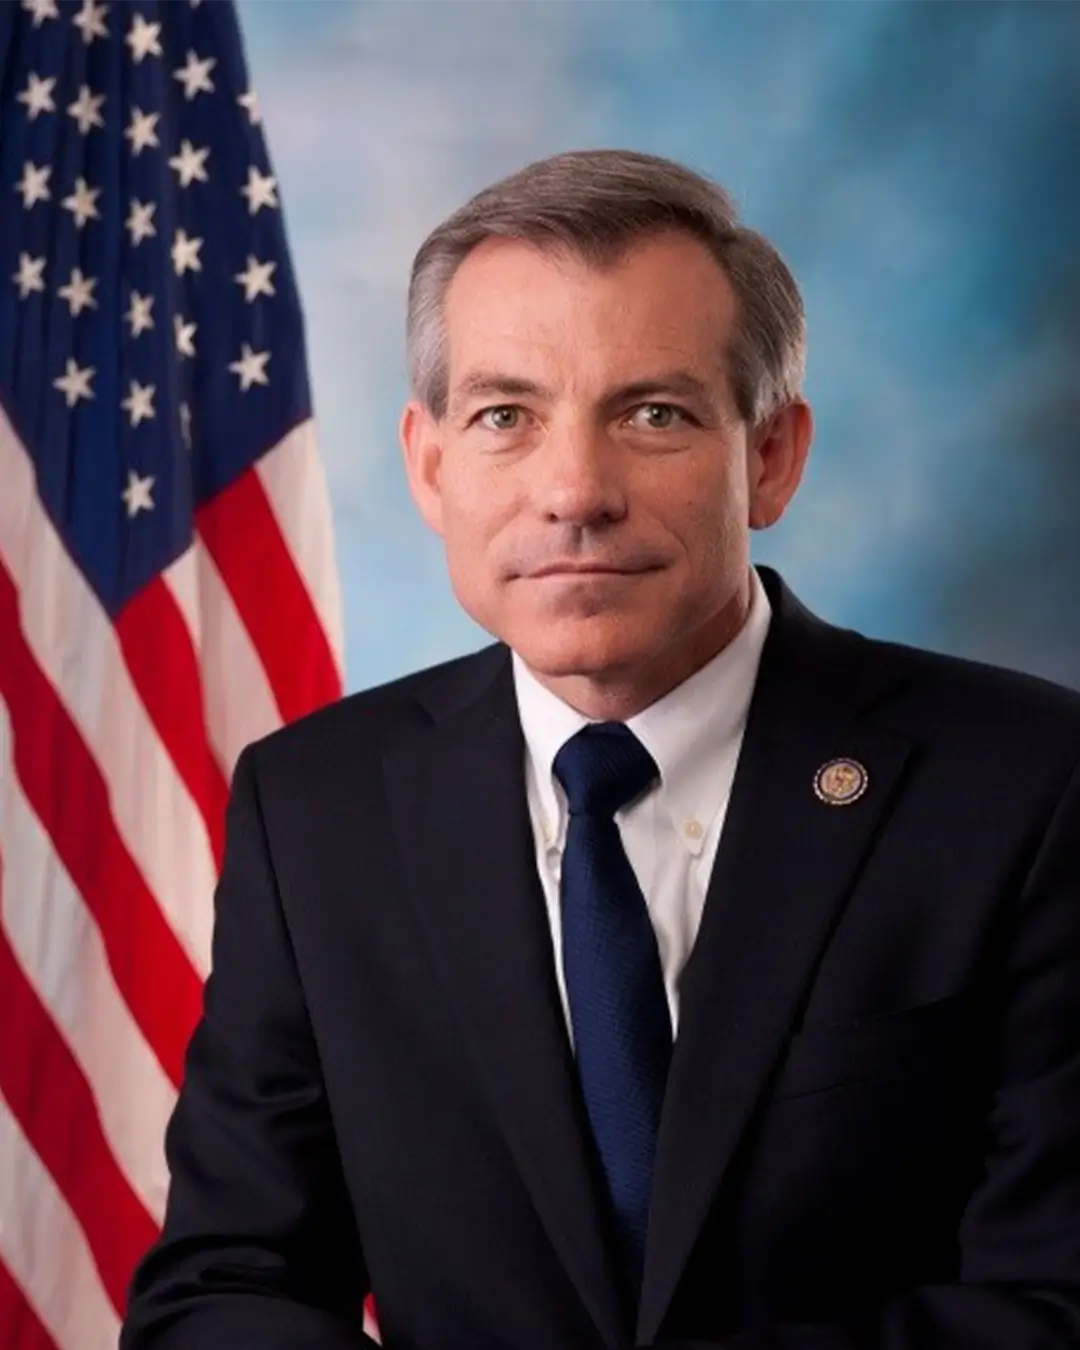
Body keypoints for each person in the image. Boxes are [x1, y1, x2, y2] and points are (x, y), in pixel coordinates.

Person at [120, 150, 1080, 1350]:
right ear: (430, 464)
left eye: (654, 413)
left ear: (771, 456)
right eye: (505, 417)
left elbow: (1052, 1303)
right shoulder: (316, 808)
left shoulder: (1025, 786)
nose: (573, 490)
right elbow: (224, 1290)